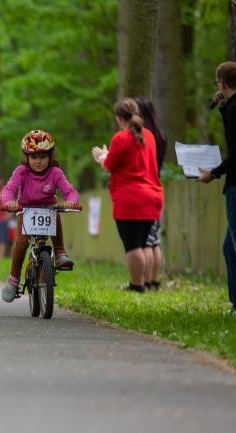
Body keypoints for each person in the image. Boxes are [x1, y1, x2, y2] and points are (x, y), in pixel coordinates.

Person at [92, 98, 163, 293]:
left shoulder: (121, 138)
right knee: (143, 244)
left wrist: (101, 157)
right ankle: (145, 283)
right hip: (152, 196)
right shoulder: (149, 135)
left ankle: (136, 285)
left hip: (130, 199)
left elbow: (109, 165)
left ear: (119, 118)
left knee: (133, 247)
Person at [1, 130, 79, 303]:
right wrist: (9, 202)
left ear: (50, 157)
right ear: (27, 157)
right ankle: (13, 281)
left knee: (54, 212)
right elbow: (9, 189)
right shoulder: (21, 171)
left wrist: (71, 201)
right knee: (21, 243)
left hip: (47, 209)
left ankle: (59, 253)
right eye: (34, 157)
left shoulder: (55, 173)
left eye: (43, 157)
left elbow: (69, 191)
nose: (38, 161)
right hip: (26, 209)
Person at [198, 61, 236, 311]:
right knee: (230, 248)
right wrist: (222, 108)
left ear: (222, 83)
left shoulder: (234, 111)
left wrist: (214, 173)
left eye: (217, 82)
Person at [135, 96, 167, 290]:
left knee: (144, 241)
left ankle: (143, 282)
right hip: (157, 187)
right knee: (154, 241)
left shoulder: (141, 136)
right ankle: (154, 281)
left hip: (142, 189)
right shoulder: (160, 136)